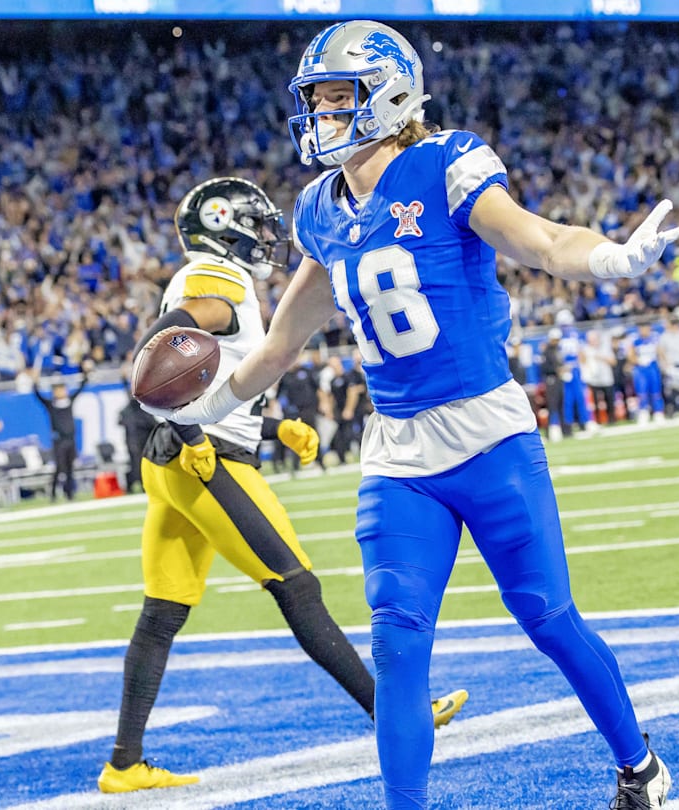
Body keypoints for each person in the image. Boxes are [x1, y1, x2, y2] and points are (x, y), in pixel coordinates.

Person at [151, 22, 676, 809]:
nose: (322, 117)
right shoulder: (320, 210)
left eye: (338, 99)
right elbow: (277, 350)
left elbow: (540, 239)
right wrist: (204, 407)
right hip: (398, 453)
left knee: (547, 615)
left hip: (487, 432)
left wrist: (609, 259)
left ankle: (638, 764)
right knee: (397, 643)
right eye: (317, 101)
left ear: (390, 96)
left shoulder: (447, 164)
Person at [99, 177, 467, 795]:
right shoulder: (220, 279)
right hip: (202, 459)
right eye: (259, 225)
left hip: (174, 460)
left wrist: (273, 426)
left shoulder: (208, 277)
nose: (269, 238)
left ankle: (124, 764)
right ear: (226, 227)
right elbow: (159, 356)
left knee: (162, 612)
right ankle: (395, 714)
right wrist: (193, 439)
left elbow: (202, 383)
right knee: (296, 585)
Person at [33, 361, 93, 502]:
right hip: (59, 440)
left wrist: (85, 373)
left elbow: (81, 387)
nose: (62, 393)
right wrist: (35, 382)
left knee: (70, 467)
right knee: (60, 468)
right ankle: (53, 493)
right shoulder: (51, 405)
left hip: (70, 439)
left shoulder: (69, 401)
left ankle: (69, 493)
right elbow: (38, 396)